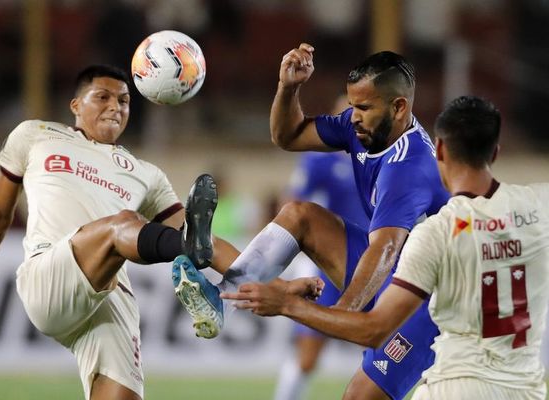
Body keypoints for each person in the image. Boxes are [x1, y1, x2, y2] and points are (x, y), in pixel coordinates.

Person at [223, 95, 549, 400]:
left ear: (439, 150)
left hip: (455, 387)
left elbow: (376, 329)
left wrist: (287, 305)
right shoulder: (538, 206)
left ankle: (207, 266)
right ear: (496, 153)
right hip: (527, 389)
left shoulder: (437, 233)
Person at [173, 44, 450, 400]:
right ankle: (220, 298)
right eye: (353, 106)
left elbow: (385, 250)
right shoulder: (362, 129)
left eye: (363, 108)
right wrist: (288, 88)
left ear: (399, 107)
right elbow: (287, 135)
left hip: (427, 301)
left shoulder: (408, 168)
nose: (353, 117)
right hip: (392, 266)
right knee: (299, 216)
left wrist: (340, 315)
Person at [0, 64, 226, 400]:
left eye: (124, 101)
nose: (116, 106)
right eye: (103, 97)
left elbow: (206, 243)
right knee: (123, 225)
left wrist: (269, 281)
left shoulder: (147, 174)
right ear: (76, 105)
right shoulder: (35, 135)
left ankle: (196, 269)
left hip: (112, 296)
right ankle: (182, 251)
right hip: (49, 274)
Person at [274, 149, 368, 400]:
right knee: (307, 358)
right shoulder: (320, 161)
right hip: (330, 266)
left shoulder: (383, 159)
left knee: (385, 353)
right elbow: (292, 201)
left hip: (374, 267)